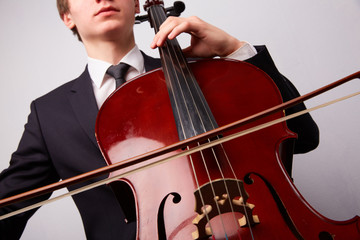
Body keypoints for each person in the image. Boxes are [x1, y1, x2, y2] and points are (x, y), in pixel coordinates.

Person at [0, 0, 319, 239]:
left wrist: (235, 50)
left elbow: (303, 135)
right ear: (67, 15)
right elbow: (10, 206)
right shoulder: (49, 113)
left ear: (136, 4)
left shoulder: (199, 74)